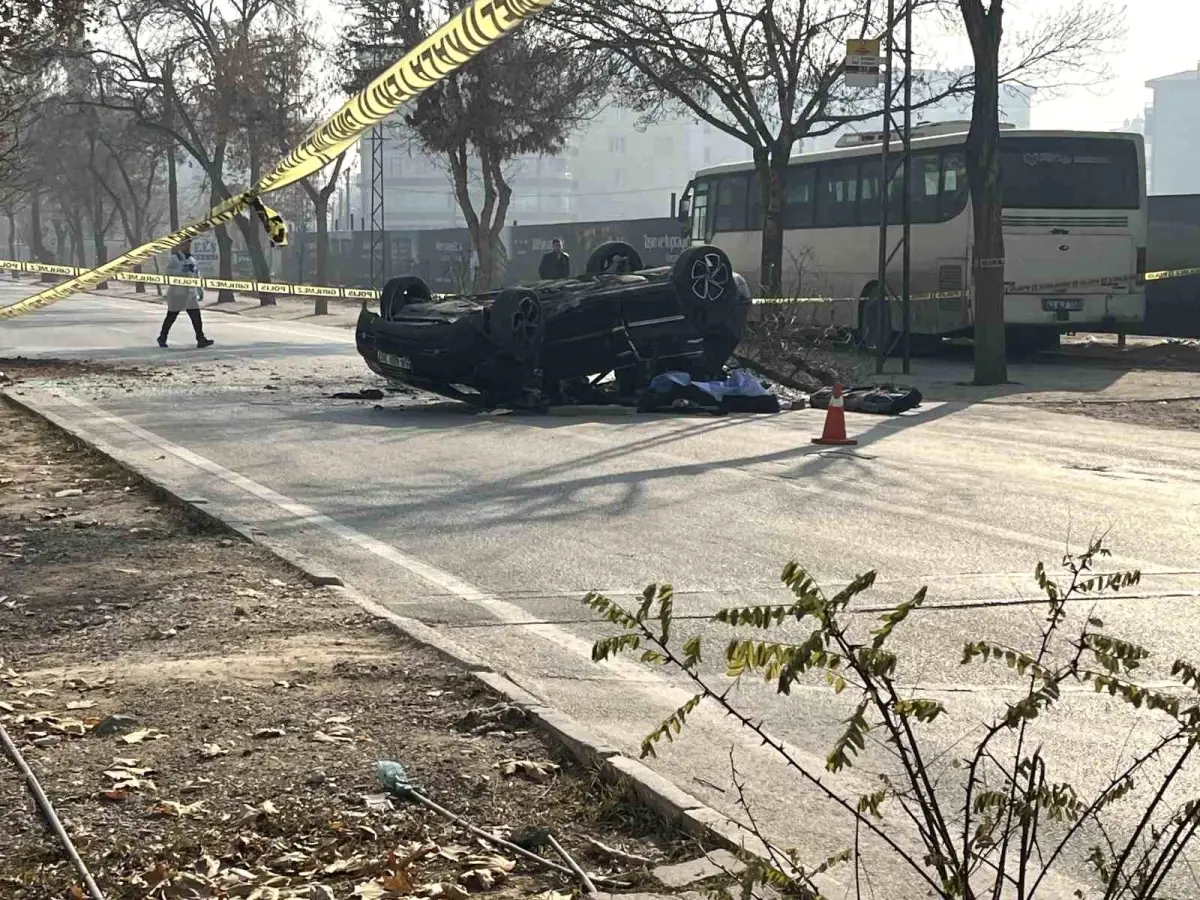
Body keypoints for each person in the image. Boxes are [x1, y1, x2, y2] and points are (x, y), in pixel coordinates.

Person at [158, 239, 213, 349]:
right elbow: (168, 273)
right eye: (185, 244)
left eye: (189, 244)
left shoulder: (192, 259)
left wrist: (200, 289)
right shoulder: (174, 259)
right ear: (180, 246)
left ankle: (201, 339)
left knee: (196, 317)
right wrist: (181, 270)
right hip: (177, 292)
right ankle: (162, 337)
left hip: (191, 293)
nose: (188, 246)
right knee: (171, 316)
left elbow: (196, 276)